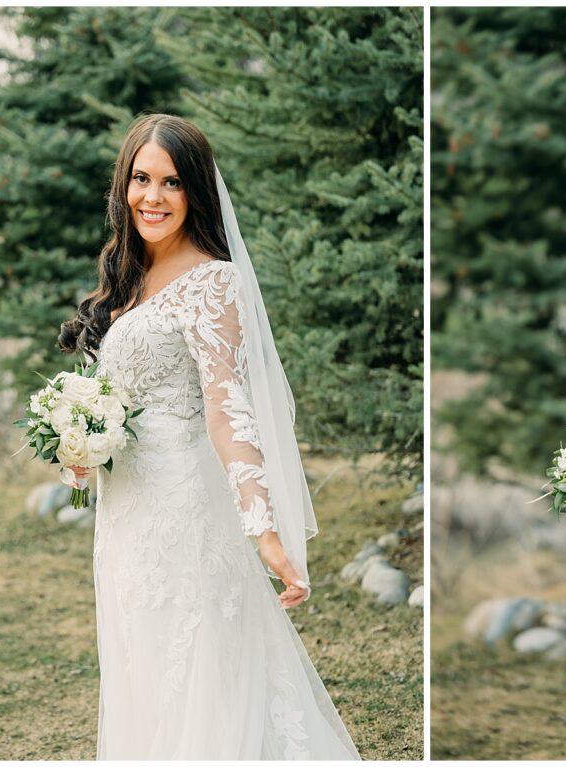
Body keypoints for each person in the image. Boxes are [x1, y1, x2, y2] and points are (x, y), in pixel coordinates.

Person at [57, 113, 360, 760]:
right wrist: (80, 448)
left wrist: (265, 528)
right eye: (141, 179)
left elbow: (228, 410)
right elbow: (116, 398)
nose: (153, 197)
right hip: (126, 513)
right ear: (125, 184)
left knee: (196, 666)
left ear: (195, 190)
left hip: (186, 507)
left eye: (171, 182)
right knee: (140, 659)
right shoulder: (126, 281)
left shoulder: (213, 281)